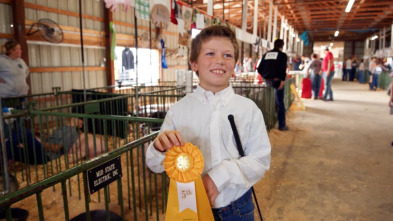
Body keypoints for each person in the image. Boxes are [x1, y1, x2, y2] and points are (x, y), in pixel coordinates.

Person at [146, 26, 271, 220]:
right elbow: (155, 165)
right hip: (189, 209)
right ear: (194, 63)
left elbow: (260, 160)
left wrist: (220, 176)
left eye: (227, 55)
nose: (219, 60)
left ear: (235, 65)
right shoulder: (178, 111)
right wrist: (159, 147)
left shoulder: (249, 109)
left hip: (237, 208)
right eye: (210, 53)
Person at [6, 118, 104, 165]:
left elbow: (57, 147)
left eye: (78, 121)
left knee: (23, 131)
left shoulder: (72, 132)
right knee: (12, 148)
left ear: (79, 125)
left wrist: (39, 143)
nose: (75, 120)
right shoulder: (60, 129)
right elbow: (50, 139)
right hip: (39, 151)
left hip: (46, 157)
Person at [257, 39, 289, 131]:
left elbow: (259, 69)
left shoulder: (266, 54)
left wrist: (265, 76)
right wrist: (282, 80)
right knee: (280, 103)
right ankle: (281, 125)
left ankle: (267, 123)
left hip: (267, 81)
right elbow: (283, 69)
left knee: (268, 102)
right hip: (277, 81)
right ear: (282, 46)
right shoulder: (282, 55)